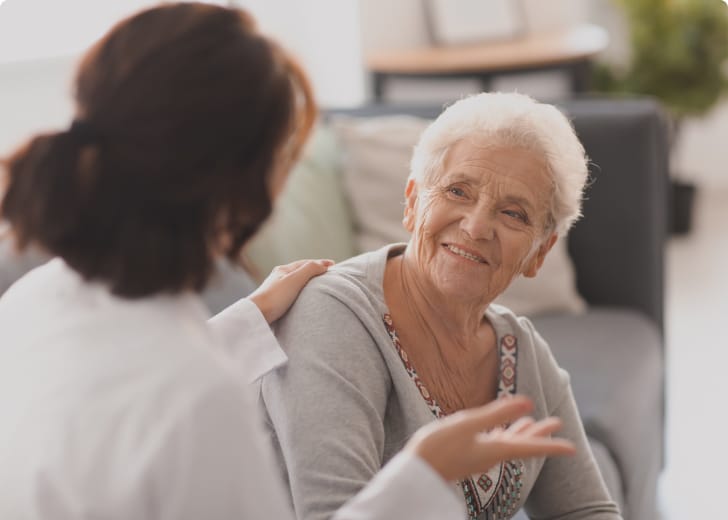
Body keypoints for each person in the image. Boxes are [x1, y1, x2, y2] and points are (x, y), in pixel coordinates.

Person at [0, 5, 576, 520]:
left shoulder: (32, 301)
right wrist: (421, 475)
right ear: (246, 184)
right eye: (286, 154)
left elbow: (122, 398)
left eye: (513, 214)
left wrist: (245, 320)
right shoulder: (200, 395)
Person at [261, 92, 623, 519]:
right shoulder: (332, 316)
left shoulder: (521, 352)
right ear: (413, 203)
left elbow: (586, 511)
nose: (476, 226)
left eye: (513, 214)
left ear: (540, 254)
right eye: (458, 191)